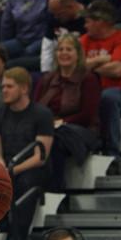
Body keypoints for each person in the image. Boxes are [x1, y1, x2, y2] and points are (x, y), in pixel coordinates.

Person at [0, 67, 54, 240]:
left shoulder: (42, 114)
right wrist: (3, 170)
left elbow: (41, 156)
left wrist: (12, 170)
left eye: (9, 86)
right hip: (6, 166)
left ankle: (17, 239)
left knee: (27, 181)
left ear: (24, 88)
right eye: (3, 87)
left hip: (32, 167)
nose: (4, 91)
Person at [33, 34, 102, 189]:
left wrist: (61, 123)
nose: (64, 53)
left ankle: (55, 190)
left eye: (69, 49)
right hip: (49, 128)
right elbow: (35, 108)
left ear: (78, 54)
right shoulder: (47, 79)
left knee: (55, 141)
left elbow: (87, 114)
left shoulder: (88, 79)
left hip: (81, 129)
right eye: (60, 49)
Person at [79, 0, 121, 158]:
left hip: (120, 92)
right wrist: (103, 59)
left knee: (108, 97)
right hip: (89, 90)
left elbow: (118, 70)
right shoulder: (84, 40)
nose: (85, 26)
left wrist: (89, 65)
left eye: (88, 21)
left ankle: (112, 154)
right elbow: (75, 68)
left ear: (101, 22)